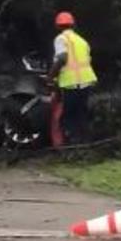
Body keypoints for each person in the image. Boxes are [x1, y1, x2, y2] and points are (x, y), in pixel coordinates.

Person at [48, 11, 97, 145]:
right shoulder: (82, 41)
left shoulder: (60, 39)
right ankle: (85, 144)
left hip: (70, 83)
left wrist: (50, 76)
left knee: (67, 116)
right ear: (73, 25)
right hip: (86, 82)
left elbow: (63, 58)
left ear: (58, 26)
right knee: (81, 114)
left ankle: (70, 146)